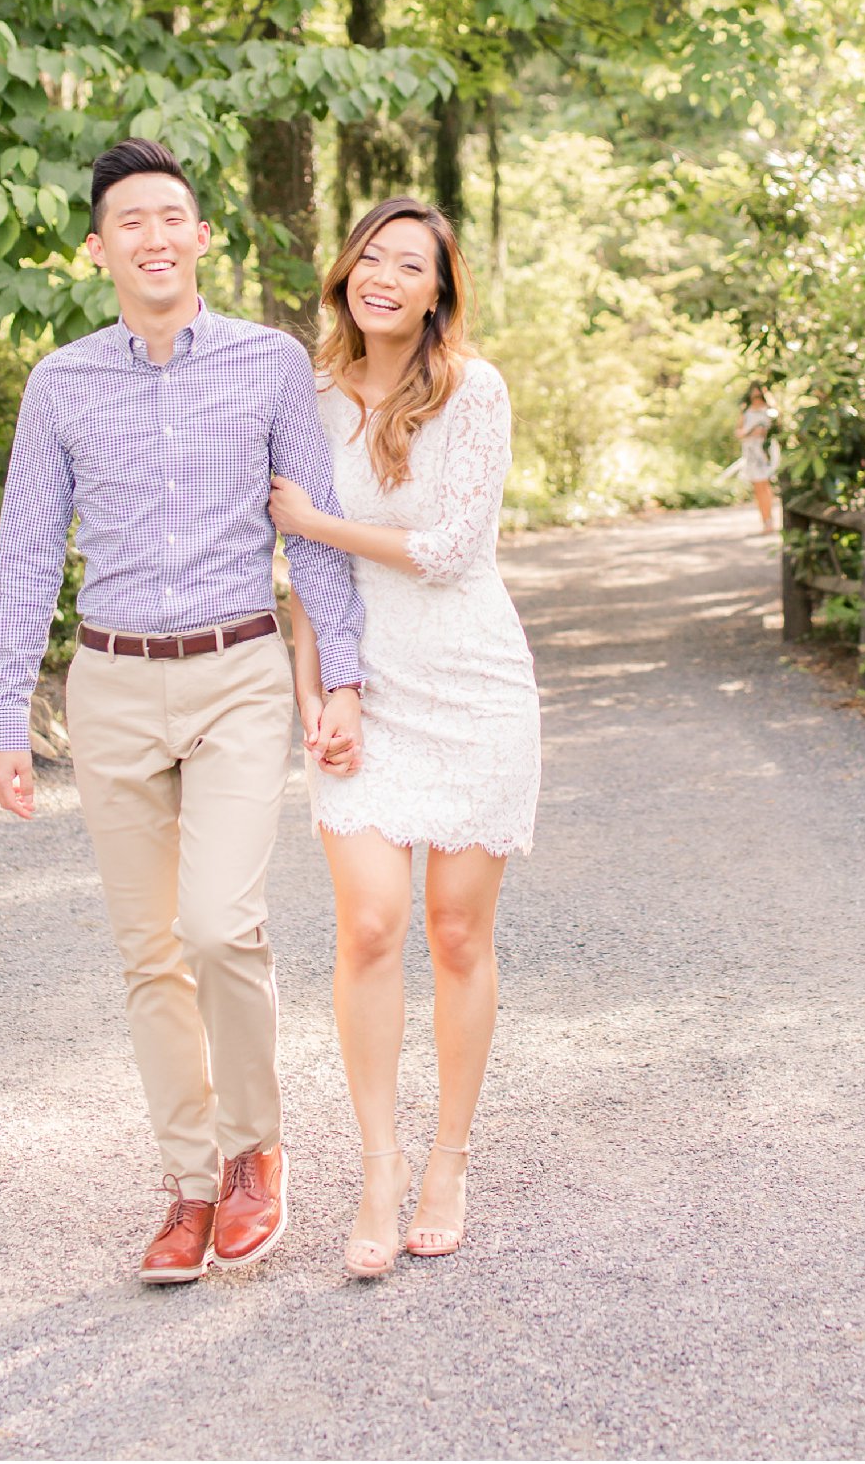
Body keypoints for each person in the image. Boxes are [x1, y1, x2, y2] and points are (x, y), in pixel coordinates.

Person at [0, 138, 366, 1287]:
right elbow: (24, 554)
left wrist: (337, 677)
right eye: (129, 223)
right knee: (148, 954)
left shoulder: (268, 364)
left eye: (173, 217)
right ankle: (188, 1186)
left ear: (203, 237)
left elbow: (314, 531)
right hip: (108, 684)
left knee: (217, 926)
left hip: (238, 671)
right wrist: (10, 715)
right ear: (97, 250)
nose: (154, 237)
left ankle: (256, 1153)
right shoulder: (60, 382)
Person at [267, 196, 540, 1279]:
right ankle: (377, 1167)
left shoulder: (473, 393)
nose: (383, 275)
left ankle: (448, 1161)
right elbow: (308, 580)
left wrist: (312, 519)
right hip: (362, 688)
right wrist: (315, 691)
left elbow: (447, 548)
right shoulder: (312, 396)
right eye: (369, 256)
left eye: (409, 264)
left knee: (456, 935)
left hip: (472, 683)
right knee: (372, 927)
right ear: (345, 273)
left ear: (438, 292)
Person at [736, 380, 778, 533]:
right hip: (750, 450)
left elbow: (776, 429)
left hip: (764, 451)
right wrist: (749, 432)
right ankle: (765, 520)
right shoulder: (746, 410)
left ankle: (769, 521)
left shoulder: (770, 410)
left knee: (765, 485)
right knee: (758, 487)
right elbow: (738, 432)